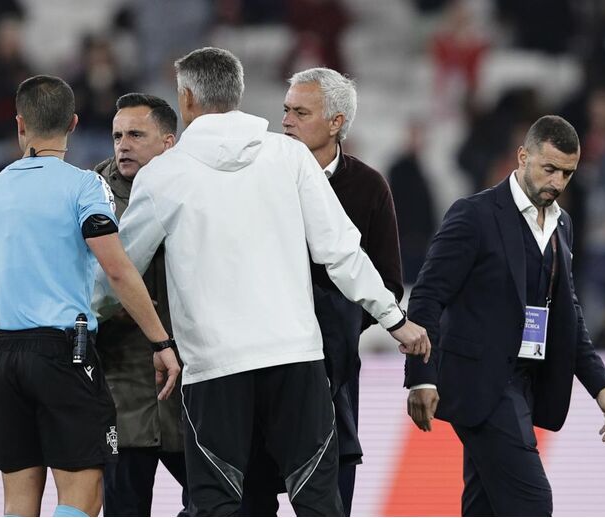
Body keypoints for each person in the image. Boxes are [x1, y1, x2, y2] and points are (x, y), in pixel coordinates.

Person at [93, 47, 430, 516]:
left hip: (214, 367)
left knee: (219, 503)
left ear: (186, 98)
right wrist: (397, 321)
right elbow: (339, 251)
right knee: (318, 502)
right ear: (240, 93)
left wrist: (85, 318)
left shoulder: (165, 175)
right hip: (297, 359)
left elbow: (119, 273)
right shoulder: (289, 155)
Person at [0, 75, 181, 517]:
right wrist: (161, 341)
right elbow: (116, 268)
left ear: (20, 125)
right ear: (74, 123)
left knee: (18, 502)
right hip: (64, 353)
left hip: (4, 355)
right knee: (82, 498)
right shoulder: (84, 186)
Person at [405, 115, 605, 516]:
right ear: (523, 156)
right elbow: (427, 296)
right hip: (479, 382)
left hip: (525, 381)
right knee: (532, 503)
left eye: (567, 173)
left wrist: (600, 384)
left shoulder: (563, 226)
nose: (557, 182)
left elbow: (567, 311)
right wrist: (421, 377)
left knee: (484, 506)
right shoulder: (473, 215)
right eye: (550, 169)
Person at [241, 67, 404, 516]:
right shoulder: (255, 176)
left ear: (336, 122)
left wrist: (336, 320)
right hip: (258, 372)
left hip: (332, 377)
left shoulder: (369, 186)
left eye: (300, 112)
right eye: (285, 110)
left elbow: (388, 282)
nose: (287, 121)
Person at [93, 92, 189, 516]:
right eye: (117, 136)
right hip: (120, 392)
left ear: (168, 142)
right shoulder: (89, 197)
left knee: (223, 504)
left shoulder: (197, 190)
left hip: (187, 391)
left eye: (135, 134)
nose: (122, 145)